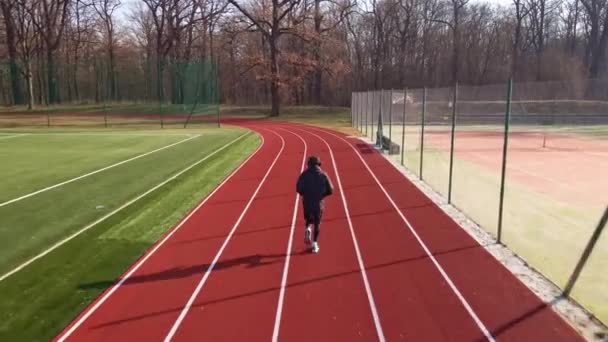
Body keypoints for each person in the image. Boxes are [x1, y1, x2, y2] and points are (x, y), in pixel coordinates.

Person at [296, 155, 334, 253]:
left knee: (308, 217)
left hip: (307, 202)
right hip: (318, 203)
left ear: (309, 164)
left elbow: (298, 188)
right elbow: (331, 190)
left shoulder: (304, 175)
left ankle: (308, 227)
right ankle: (315, 243)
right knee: (317, 223)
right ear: (318, 164)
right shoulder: (323, 175)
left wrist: (305, 194)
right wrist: (322, 195)